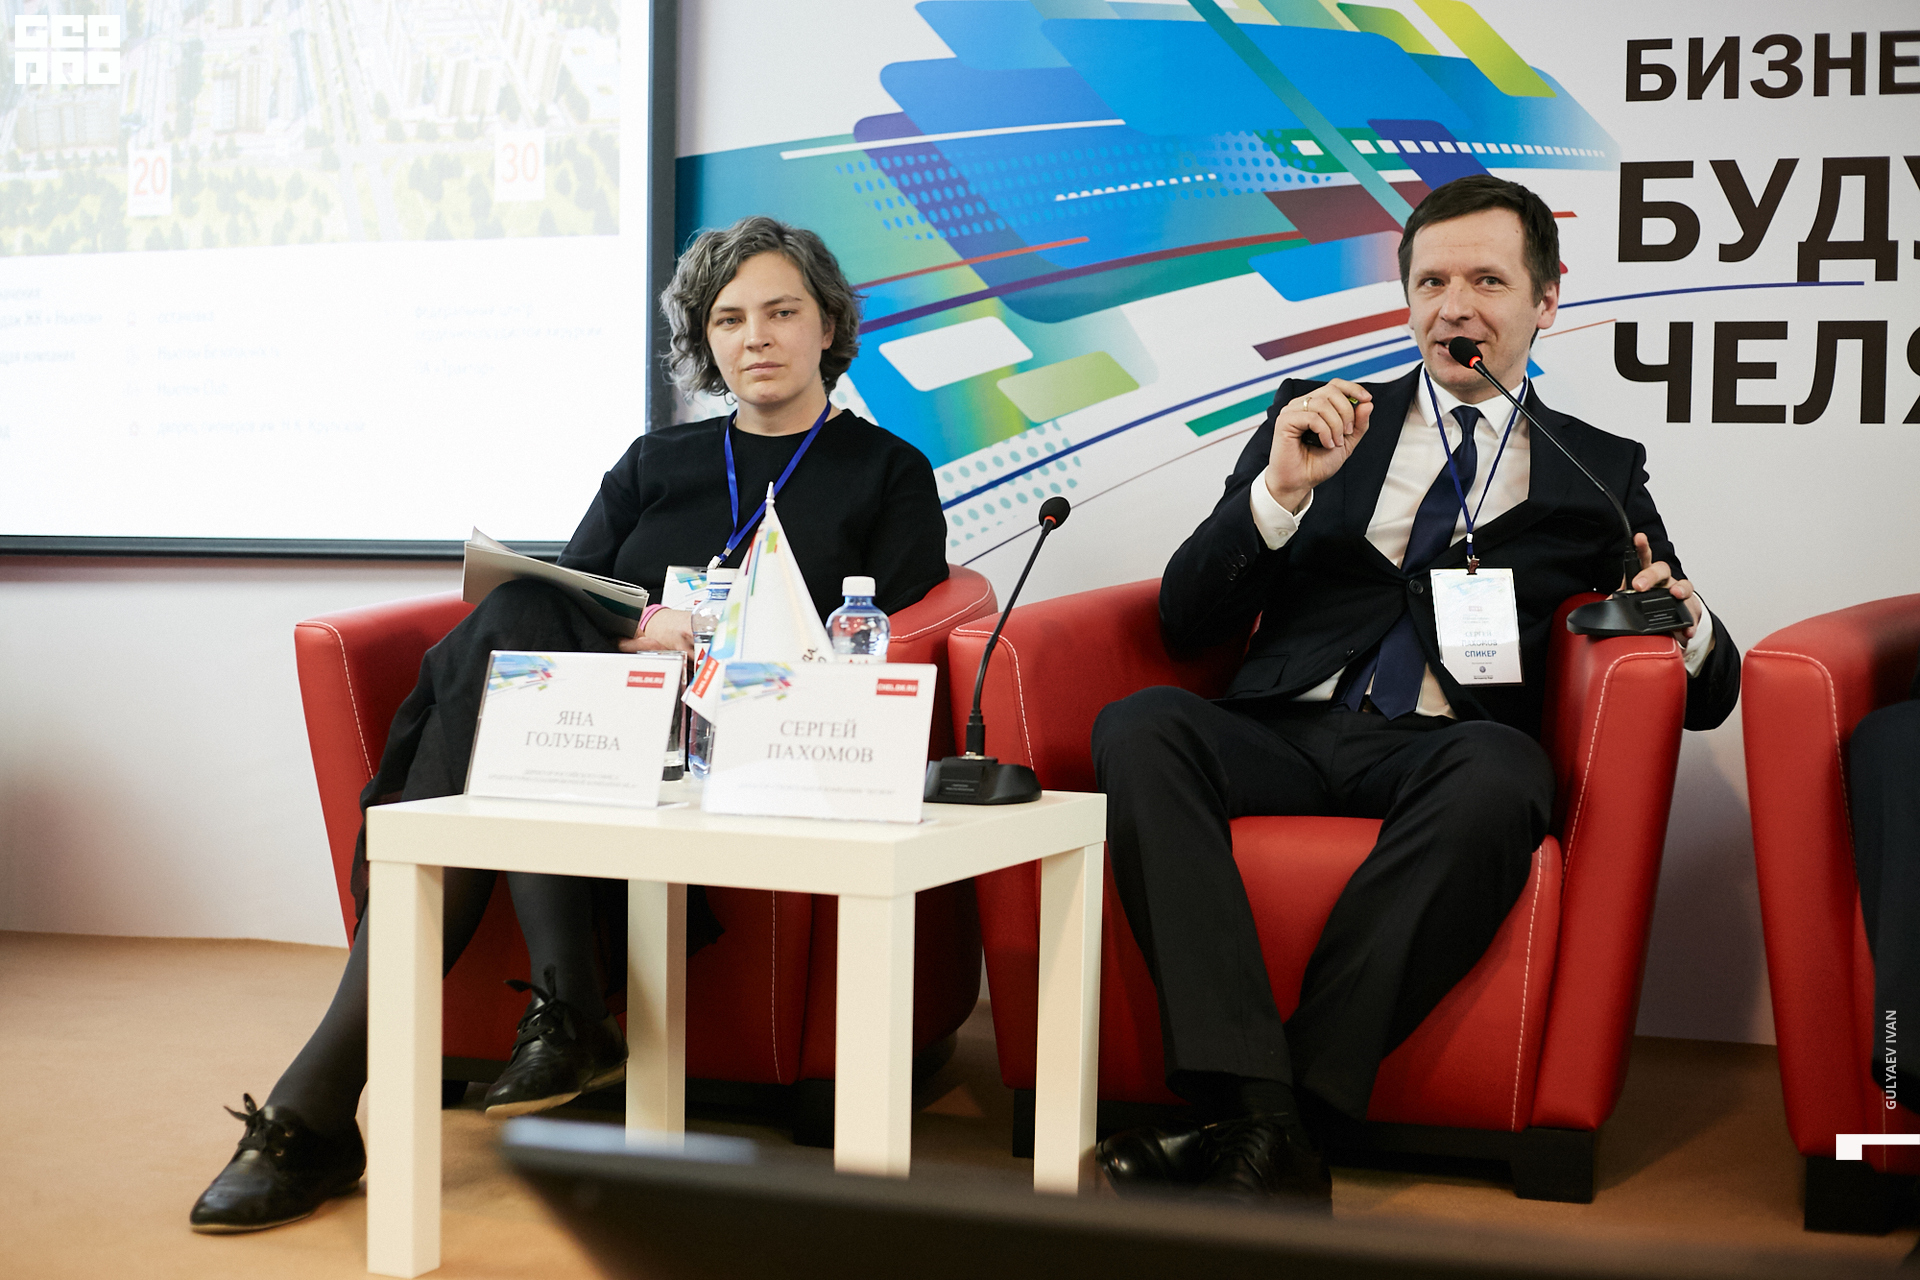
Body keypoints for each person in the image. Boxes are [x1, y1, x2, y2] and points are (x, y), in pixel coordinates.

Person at [189, 216, 950, 1233]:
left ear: (828, 326)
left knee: (488, 713)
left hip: (757, 736)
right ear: (706, 338)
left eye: (781, 312)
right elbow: (570, 596)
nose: (755, 337)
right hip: (599, 722)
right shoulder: (657, 459)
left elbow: (887, 636)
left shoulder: (887, 469)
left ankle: (322, 1106)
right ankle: (562, 1008)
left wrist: (732, 645)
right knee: (514, 616)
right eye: (729, 319)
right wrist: (638, 628)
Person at [1089, 175, 1741, 1209]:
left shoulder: (1593, 469)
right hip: (1286, 726)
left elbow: (1708, 692)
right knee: (1141, 726)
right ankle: (1269, 1120)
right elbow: (1185, 619)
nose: (1454, 307)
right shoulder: (1320, 419)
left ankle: (1259, 1125)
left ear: (1547, 300)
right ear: (1405, 301)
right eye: (1431, 282)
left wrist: (1687, 621)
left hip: (1444, 749)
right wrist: (1279, 491)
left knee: (1503, 769)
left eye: (1488, 280)